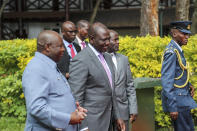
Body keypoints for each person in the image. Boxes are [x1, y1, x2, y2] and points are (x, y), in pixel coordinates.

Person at [22, 30, 87, 131]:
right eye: (60, 46)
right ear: (47, 47)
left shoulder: (50, 65)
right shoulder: (36, 68)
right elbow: (37, 108)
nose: (63, 50)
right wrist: (69, 118)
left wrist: (74, 110)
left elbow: (55, 98)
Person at [68, 22, 125, 131]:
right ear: (92, 39)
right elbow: (76, 97)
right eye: (104, 40)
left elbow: (111, 91)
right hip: (91, 123)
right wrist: (83, 127)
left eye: (109, 39)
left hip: (109, 121)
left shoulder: (107, 57)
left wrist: (118, 116)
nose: (108, 43)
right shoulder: (81, 60)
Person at [161, 21, 197, 131]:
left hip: (182, 99)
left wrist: (188, 85)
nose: (187, 37)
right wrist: (173, 107)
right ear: (174, 34)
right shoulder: (171, 52)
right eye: (184, 34)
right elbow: (167, 81)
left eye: (188, 34)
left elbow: (178, 74)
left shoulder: (177, 50)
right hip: (178, 102)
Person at [107, 29, 138, 131]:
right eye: (115, 40)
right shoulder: (100, 59)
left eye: (118, 39)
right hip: (106, 113)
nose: (118, 42)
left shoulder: (123, 59)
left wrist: (133, 109)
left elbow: (129, 85)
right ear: (107, 41)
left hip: (122, 110)